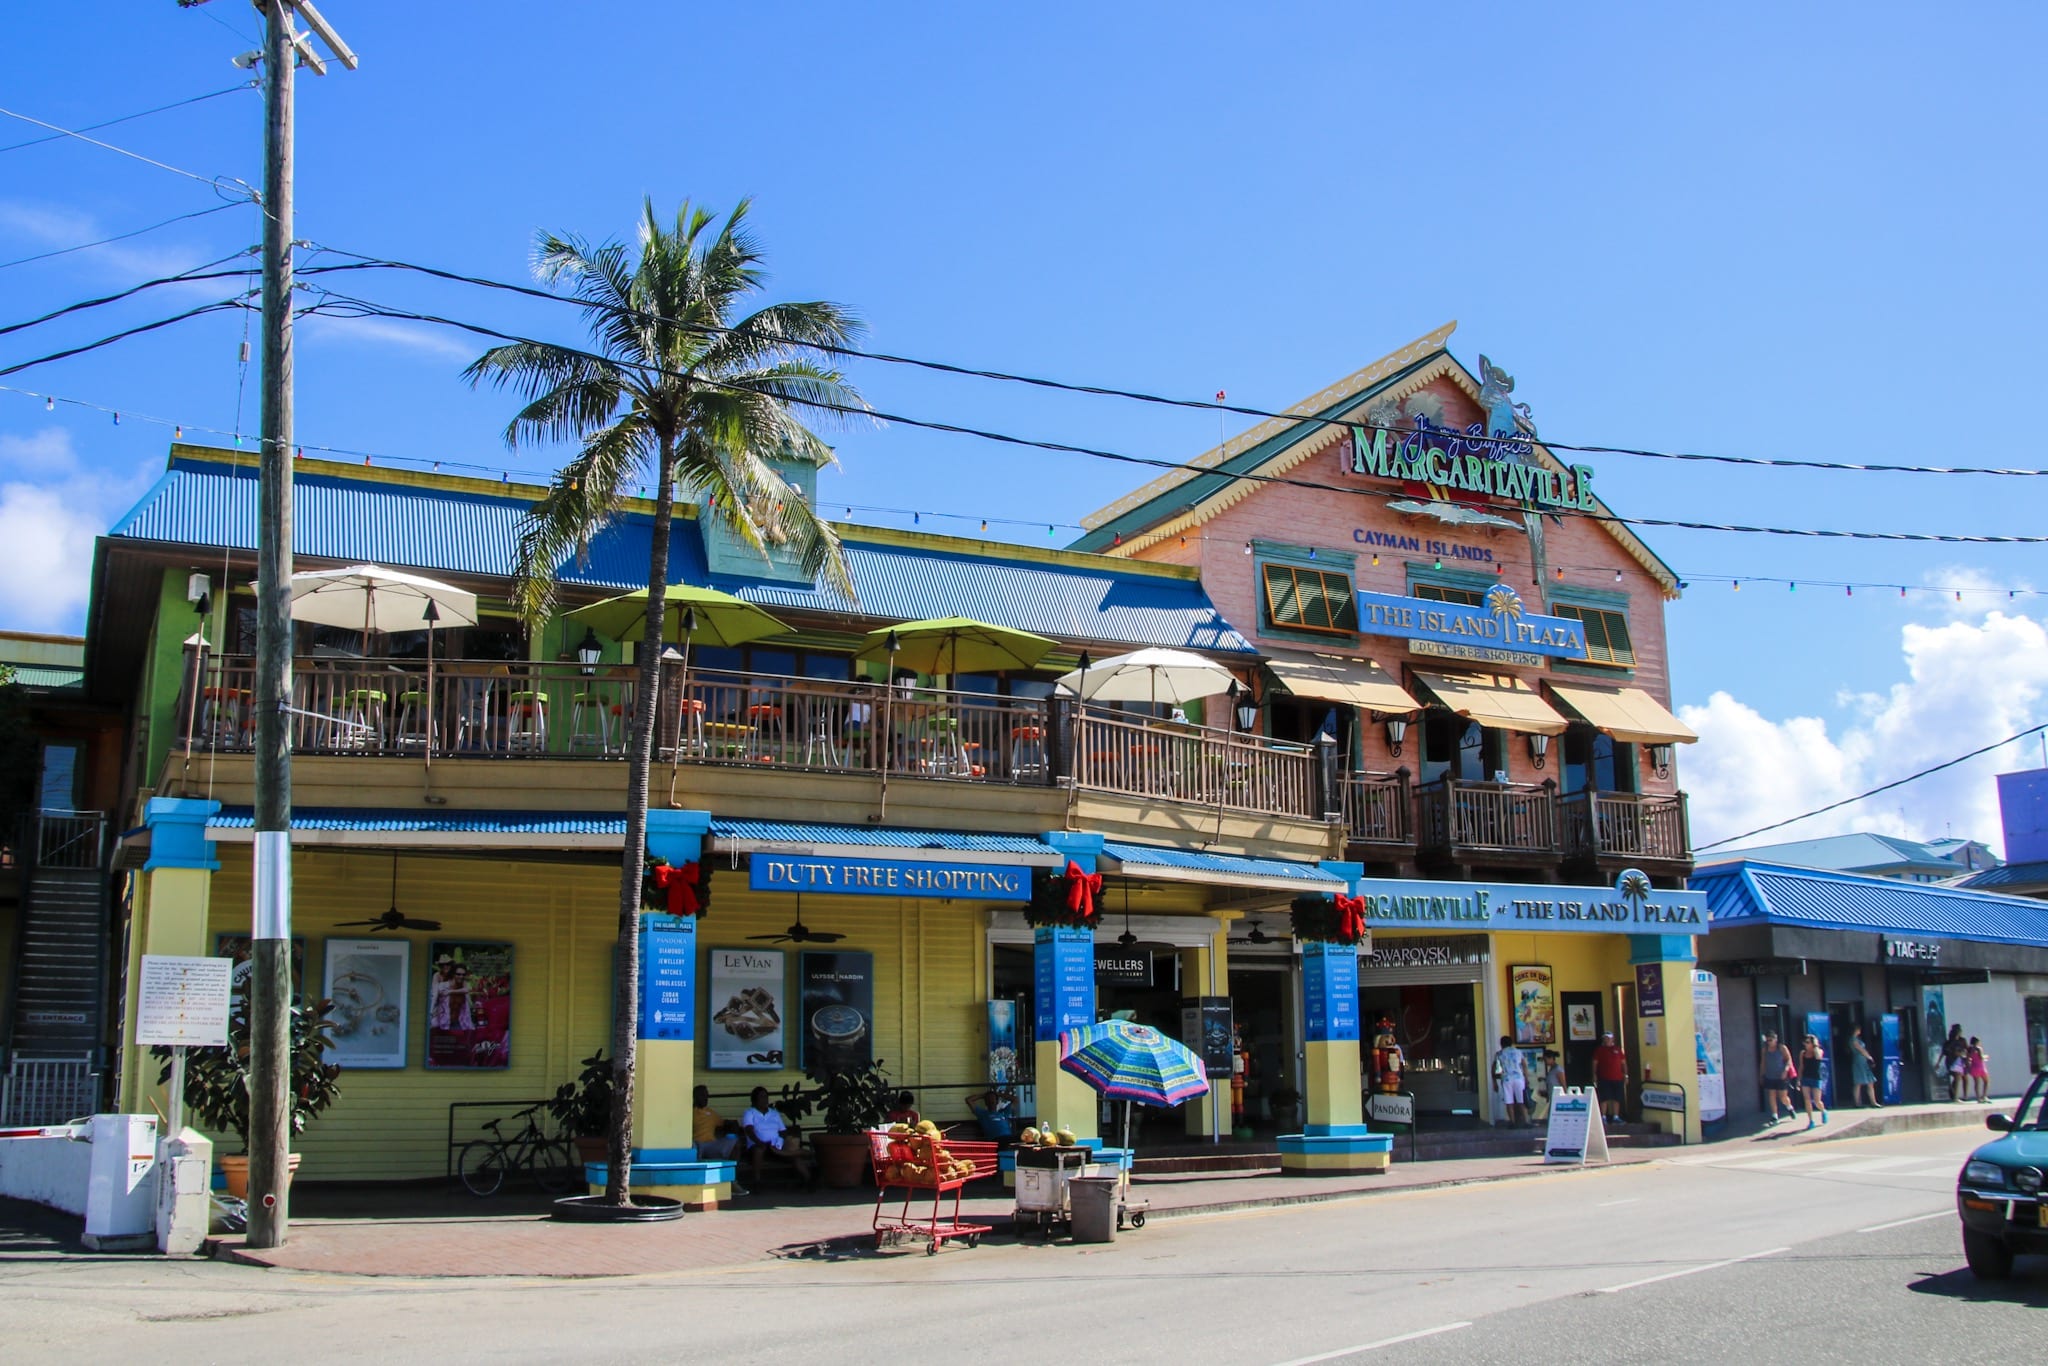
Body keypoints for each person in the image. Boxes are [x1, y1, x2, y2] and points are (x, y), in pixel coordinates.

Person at [740, 1086, 816, 1189]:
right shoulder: (750, 1112)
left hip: (776, 1146)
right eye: (761, 1097)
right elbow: (749, 1130)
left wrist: (779, 1142)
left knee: (794, 1157)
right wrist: (759, 1142)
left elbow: (783, 1131)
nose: (764, 1099)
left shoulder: (774, 1113)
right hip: (758, 1145)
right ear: (755, 1099)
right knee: (759, 1150)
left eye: (766, 1097)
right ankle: (757, 1182)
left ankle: (809, 1180)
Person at [693, 1085, 740, 1162]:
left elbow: (724, 1123)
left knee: (735, 1142)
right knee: (693, 1146)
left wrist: (732, 1123)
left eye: (706, 1095)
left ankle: (732, 1168)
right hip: (696, 1144)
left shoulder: (711, 1113)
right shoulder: (690, 1112)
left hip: (711, 1145)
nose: (705, 1098)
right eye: (702, 1095)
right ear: (695, 1097)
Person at [1492, 1035, 1531, 1127]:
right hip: (1518, 1078)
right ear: (1511, 1043)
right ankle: (1526, 1121)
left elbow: (1494, 1068)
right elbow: (1524, 1065)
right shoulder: (1518, 1052)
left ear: (1501, 1044)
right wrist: (1526, 1078)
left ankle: (1512, 1122)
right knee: (1521, 1100)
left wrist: (1494, 1082)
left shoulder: (1499, 1054)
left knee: (1509, 1101)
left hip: (1506, 1079)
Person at [1759, 1031, 1797, 1126]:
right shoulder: (1765, 1049)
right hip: (1770, 1075)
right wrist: (1762, 1075)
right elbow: (1763, 1062)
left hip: (1781, 1075)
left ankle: (1789, 1107)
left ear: (1775, 1039)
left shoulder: (1781, 1048)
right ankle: (1775, 1116)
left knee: (1783, 1097)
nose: (1769, 1042)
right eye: (1767, 1040)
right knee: (1771, 1095)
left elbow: (1789, 1060)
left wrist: (1786, 1070)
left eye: (1771, 1040)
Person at [1592, 1031, 1627, 1122]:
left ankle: (1616, 1116)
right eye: (1605, 1038)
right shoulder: (1599, 1050)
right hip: (1604, 1078)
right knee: (1604, 1098)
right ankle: (1603, 1117)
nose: (1607, 1040)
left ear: (1612, 1039)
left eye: (1608, 1038)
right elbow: (1595, 1063)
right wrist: (1594, 1074)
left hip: (1617, 1078)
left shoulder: (1618, 1050)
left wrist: (1626, 1075)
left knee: (1617, 1098)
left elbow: (1623, 1063)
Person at [1799, 1033, 1829, 1129]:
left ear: (1812, 1043)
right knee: (1807, 1099)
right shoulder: (1803, 1053)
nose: (1806, 1044)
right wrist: (1799, 1079)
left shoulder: (1818, 1051)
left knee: (1817, 1101)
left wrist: (1815, 1046)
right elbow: (1801, 1066)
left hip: (1816, 1077)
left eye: (1808, 1042)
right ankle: (1811, 1120)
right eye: (1805, 1042)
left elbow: (1818, 1057)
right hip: (1806, 1077)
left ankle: (1823, 1111)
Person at [1848, 1025, 1879, 1108]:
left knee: (1870, 1082)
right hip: (1859, 1061)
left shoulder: (1857, 1039)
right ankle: (1857, 1103)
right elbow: (1860, 1049)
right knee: (1858, 1082)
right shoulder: (1853, 1039)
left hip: (1864, 1061)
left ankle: (1873, 1102)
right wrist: (1869, 1057)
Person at [1942, 1024, 1968, 1103]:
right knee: (1957, 1077)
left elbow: (1966, 1049)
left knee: (1961, 1077)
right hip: (1952, 1060)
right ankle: (1955, 1097)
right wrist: (1954, 1052)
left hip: (1959, 1060)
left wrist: (1964, 1056)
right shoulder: (1949, 1042)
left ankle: (1960, 1095)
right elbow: (1945, 1051)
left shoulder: (1962, 1040)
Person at [1967, 1037, 1991, 1102]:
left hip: (1974, 1067)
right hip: (1981, 1067)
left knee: (1976, 1083)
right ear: (1977, 1042)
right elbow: (1981, 1057)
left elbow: (1968, 1058)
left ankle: (1978, 1098)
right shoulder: (1979, 1048)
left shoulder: (1969, 1049)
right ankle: (1984, 1096)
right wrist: (1986, 1056)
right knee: (1986, 1081)